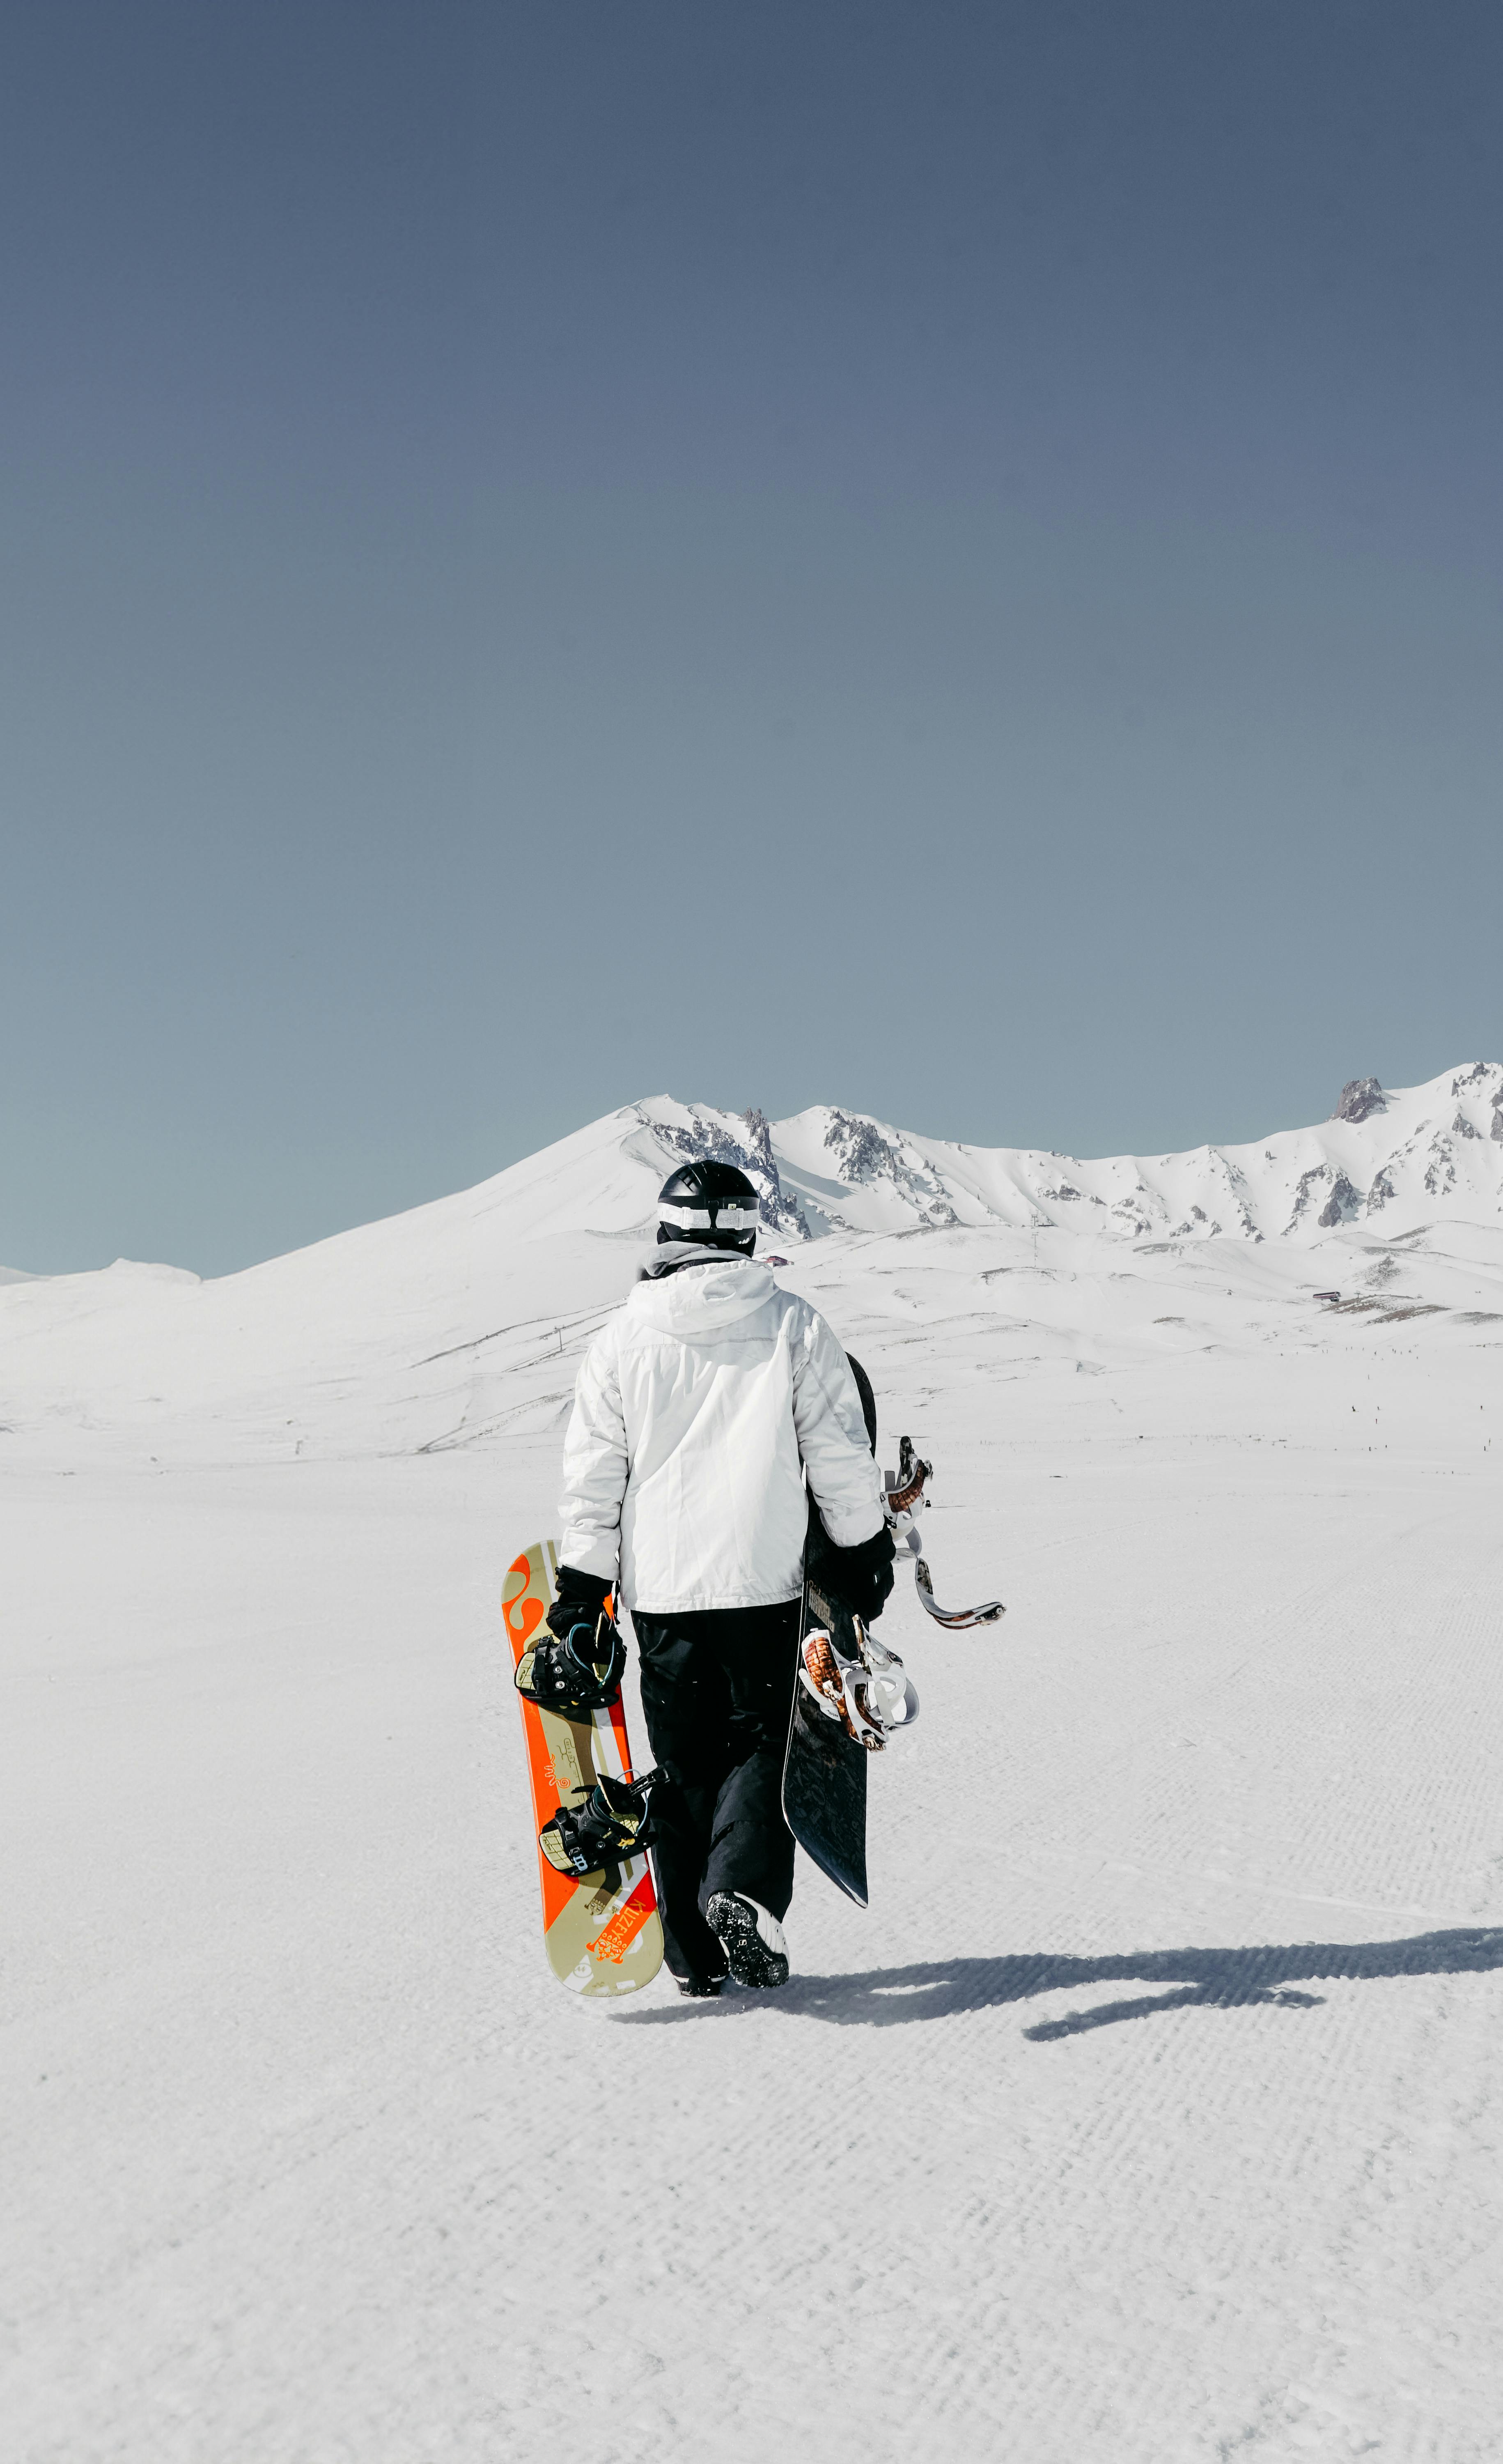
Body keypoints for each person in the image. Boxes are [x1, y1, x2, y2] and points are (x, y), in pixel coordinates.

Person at [543, 1158, 895, 1995]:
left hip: (661, 1593)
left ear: (663, 1235)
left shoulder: (620, 1338)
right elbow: (839, 1458)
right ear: (745, 1234)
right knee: (762, 1751)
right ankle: (738, 1891)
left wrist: (581, 1589)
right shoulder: (796, 1326)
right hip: (764, 1583)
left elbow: (593, 1477)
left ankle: (692, 1956)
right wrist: (861, 1555)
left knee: (685, 1762)